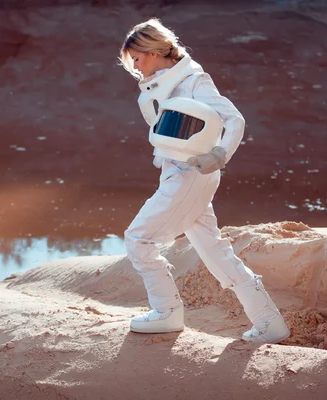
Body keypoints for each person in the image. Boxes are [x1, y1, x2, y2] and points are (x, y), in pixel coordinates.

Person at [119, 18, 290, 344]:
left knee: (138, 239)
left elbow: (234, 119)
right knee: (215, 252)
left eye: (137, 59)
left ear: (152, 51)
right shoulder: (165, 83)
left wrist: (220, 154)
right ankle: (269, 322)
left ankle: (167, 312)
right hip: (183, 174)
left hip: (190, 174)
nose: (136, 68)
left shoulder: (194, 80)